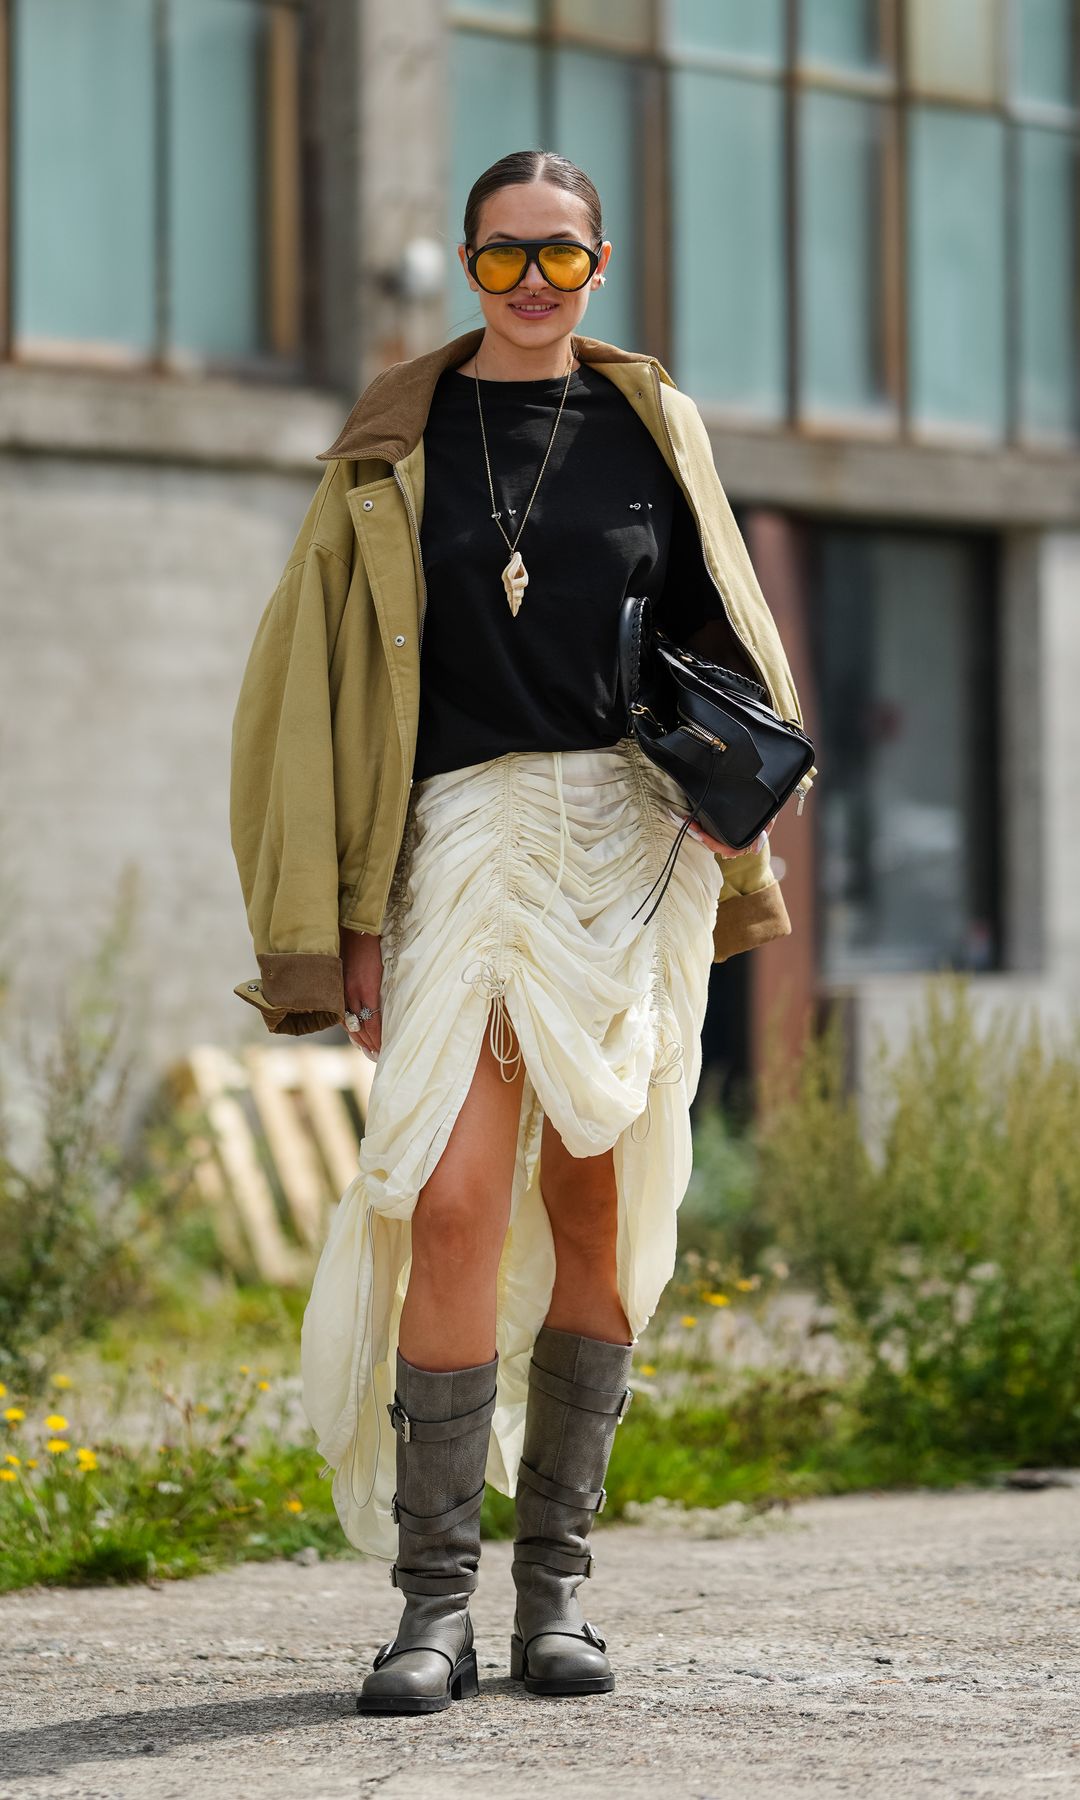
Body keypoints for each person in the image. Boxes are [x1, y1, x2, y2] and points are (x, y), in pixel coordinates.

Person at [229, 149, 815, 1717]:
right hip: (457, 848)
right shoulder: (387, 449)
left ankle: (555, 1594)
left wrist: (726, 786)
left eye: (561, 259)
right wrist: (339, 921)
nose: (534, 285)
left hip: (626, 858)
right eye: (504, 261)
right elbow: (305, 699)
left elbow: (725, 633)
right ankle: (433, 1611)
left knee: (596, 1201)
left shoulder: (652, 428)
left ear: (600, 266)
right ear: (469, 270)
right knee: (453, 1200)